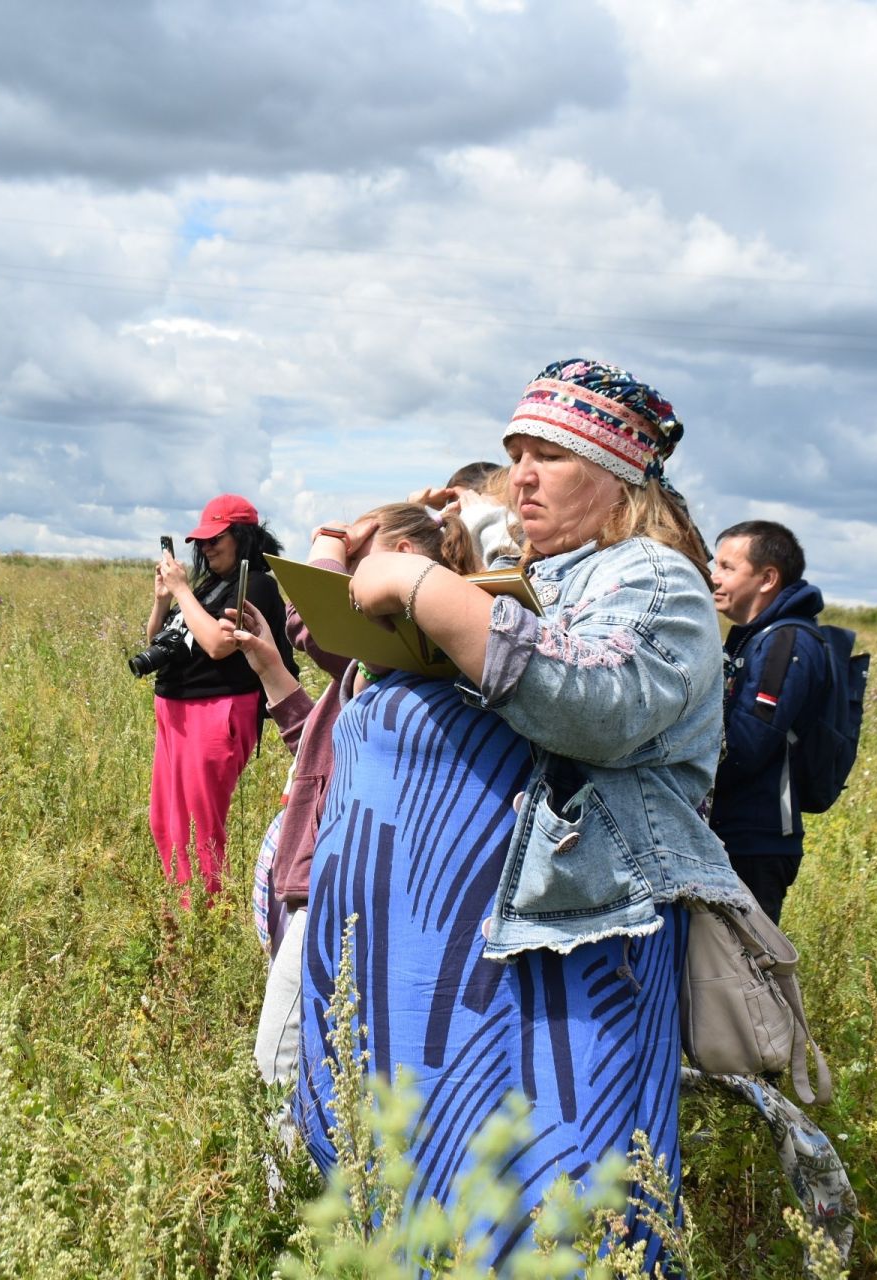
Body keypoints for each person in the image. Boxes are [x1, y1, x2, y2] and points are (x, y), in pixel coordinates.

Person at [305, 357, 752, 1267]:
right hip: (452, 965)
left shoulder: (653, 583)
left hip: (571, 958)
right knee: (435, 1174)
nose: (522, 476)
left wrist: (428, 590)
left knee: (564, 1191)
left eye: (549, 452)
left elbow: (586, 701)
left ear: (621, 475)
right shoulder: (531, 574)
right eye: (515, 453)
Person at [223, 503, 480, 1086]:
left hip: (336, 891)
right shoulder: (391, 659)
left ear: (404, 562)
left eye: (361, 564)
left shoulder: (411, 650)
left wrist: (330, 539)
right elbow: (324, 750)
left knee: (282, 1066)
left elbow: (307, 618)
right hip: (333, 884)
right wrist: (268, 668)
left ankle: (286, 1176)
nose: (351, 579)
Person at [143, 495, 298, 901]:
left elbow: (216, 644)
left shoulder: (257, 585)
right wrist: (164, 597)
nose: (207, 548)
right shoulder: (209, 586)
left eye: (217, 539)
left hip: (216, 711)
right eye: (203, 541)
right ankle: (183, 907)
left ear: (243, 537)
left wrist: (181, 590)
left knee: (200, 826)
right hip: (175, 710)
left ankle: (208, 914)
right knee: (165, 820)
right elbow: (155, 640)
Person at [709, 520, 829, 923]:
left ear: (767, 578)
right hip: (733, 833)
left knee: (748, 977)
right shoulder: (754, 636)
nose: (713, 576)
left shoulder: (785, 642)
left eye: (727, 567)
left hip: (755, 841)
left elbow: (746, 745)